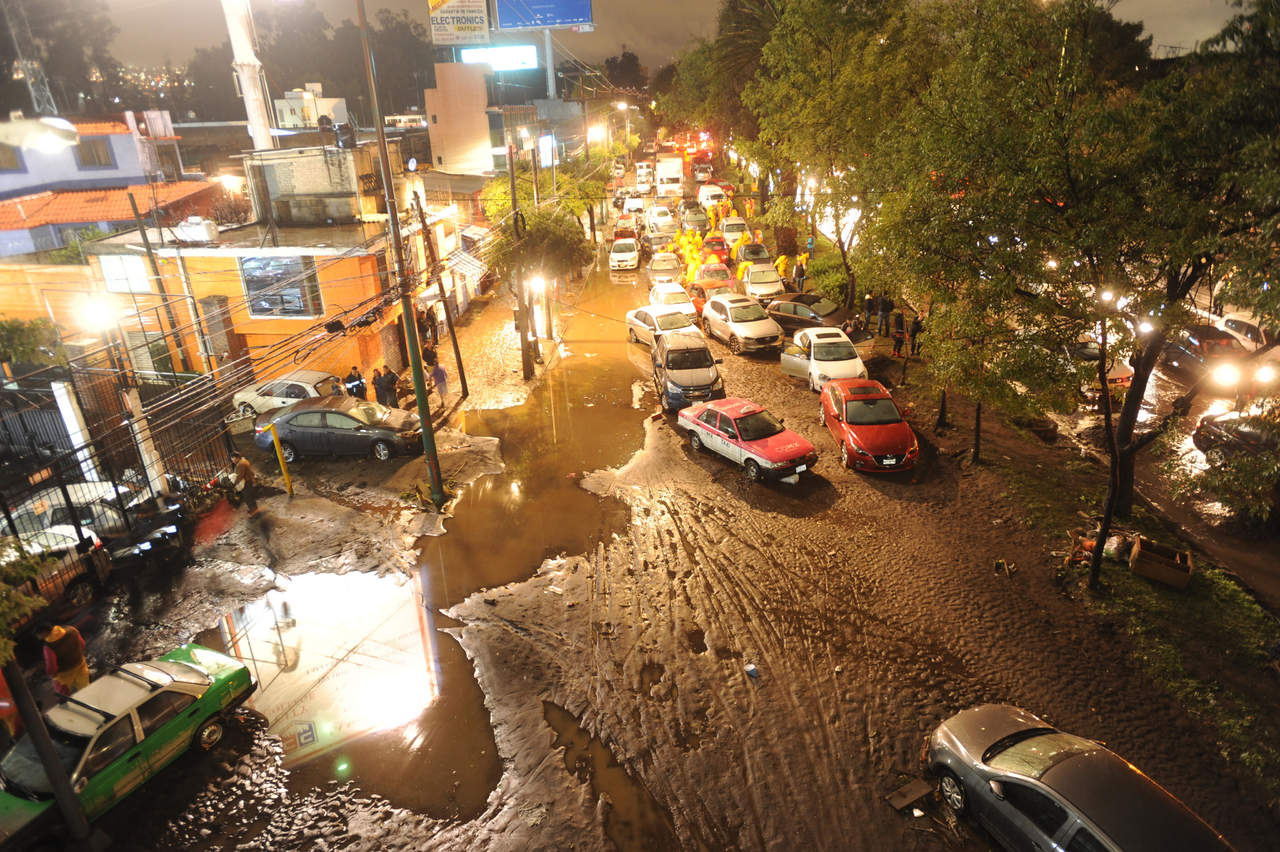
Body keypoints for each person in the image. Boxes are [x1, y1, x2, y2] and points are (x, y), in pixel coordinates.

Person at [36, 620, 90, 696]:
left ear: (44, 632)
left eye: (38, 635)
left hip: (64, 675)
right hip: (80, 665)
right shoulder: (71, 630)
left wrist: (52, 674)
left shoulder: (49, 646)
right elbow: (82, 644)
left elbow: (52, 667)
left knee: (63, 698)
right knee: (87, 690)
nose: (38, 638)